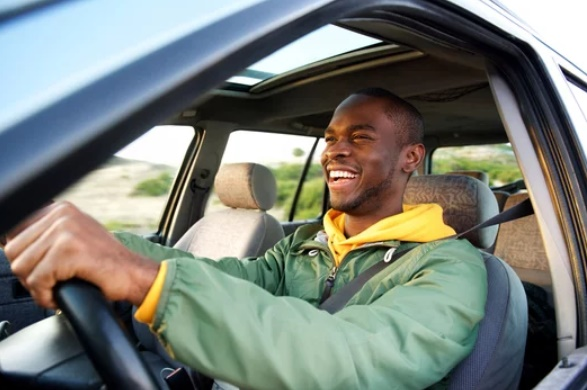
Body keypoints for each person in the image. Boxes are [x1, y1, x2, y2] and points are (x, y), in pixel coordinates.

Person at [3, 88, 487, 389]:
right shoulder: (306, 245)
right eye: (331, 137)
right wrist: (110, 245)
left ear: (411, 157)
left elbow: (353, 361)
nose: (335, 149)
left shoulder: (448, 268)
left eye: (360, 137)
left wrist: (141, 278)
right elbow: (228, 277)